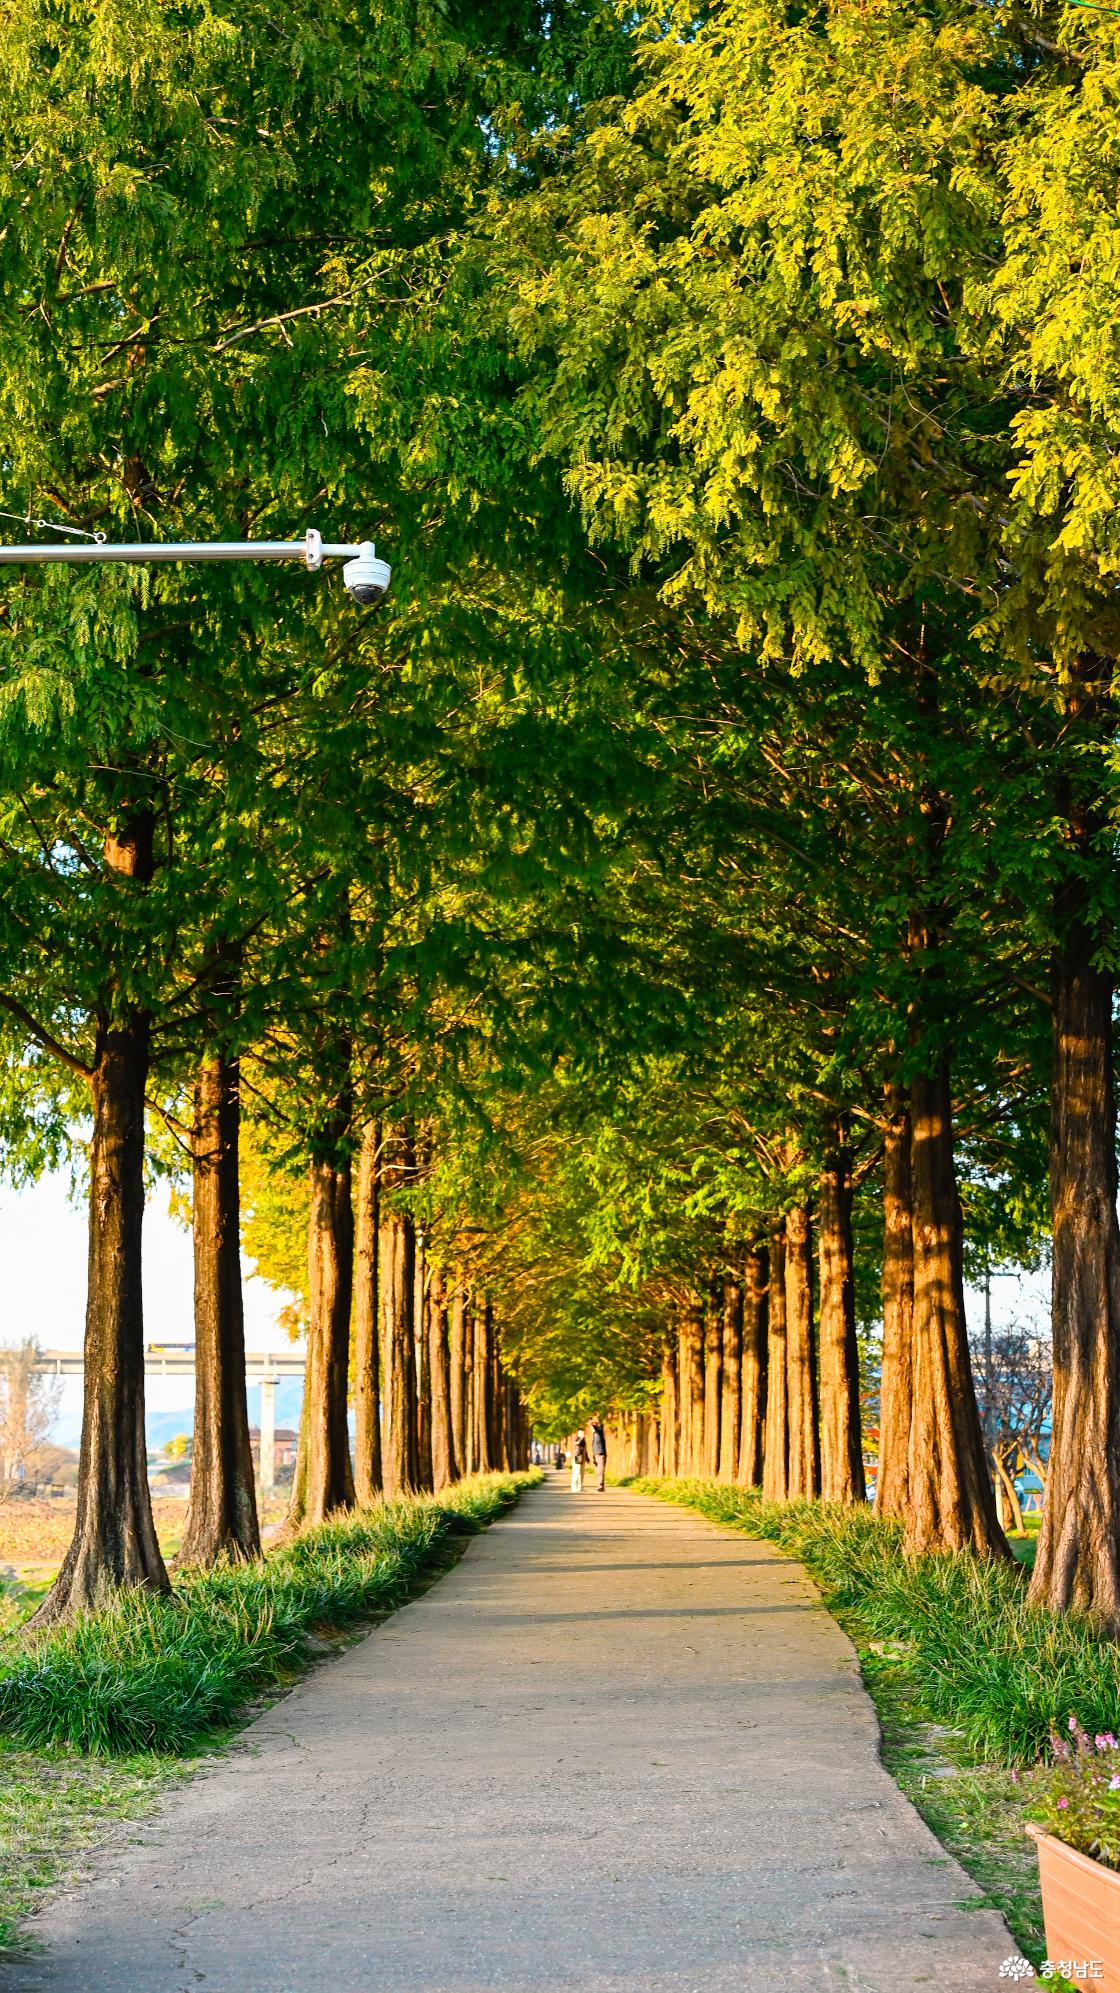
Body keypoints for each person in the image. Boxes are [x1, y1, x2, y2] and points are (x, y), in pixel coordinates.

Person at [589, 1416, 608, 1491]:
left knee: (600, 1471)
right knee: (598, 1471)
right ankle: (599, 1486)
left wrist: (591, 1422)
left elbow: (594, 1426)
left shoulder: (599, 1432)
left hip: (600, 1454)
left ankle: (600, 1487)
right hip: (596, 1454)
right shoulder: (595, 1434)